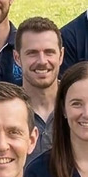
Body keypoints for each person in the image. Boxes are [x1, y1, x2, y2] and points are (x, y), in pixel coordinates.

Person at [15, 15, 63, 156]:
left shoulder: (77, 108)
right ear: (17, 58)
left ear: (61, 56)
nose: (42, 61)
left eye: (49, 52)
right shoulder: (7, 111)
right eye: (32, 53)